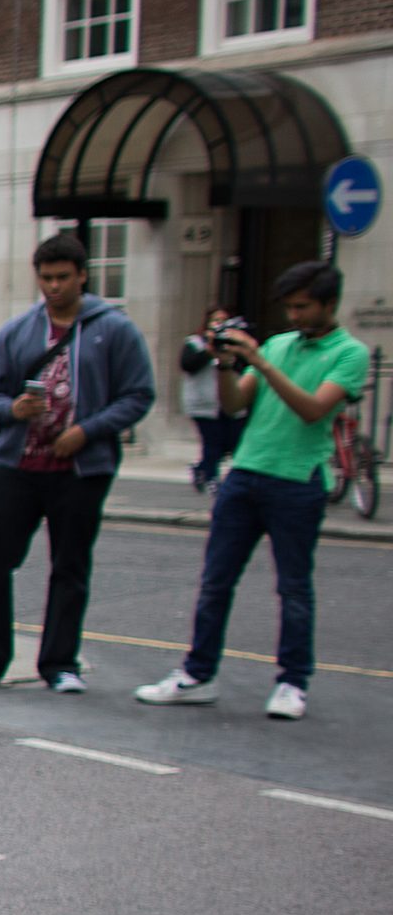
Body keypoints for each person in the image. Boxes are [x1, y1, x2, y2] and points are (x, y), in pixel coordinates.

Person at [136, 262, 369, 722]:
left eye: (303, 307)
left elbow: (313, 410)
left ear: (329, 304)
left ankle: (291, 683)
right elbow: (235, 403)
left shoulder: (350, 353)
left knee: (293, 589)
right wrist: (226, 365)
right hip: (245, 474)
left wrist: (260, 361)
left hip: (298, 481)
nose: (295, 316)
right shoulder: (280, 344)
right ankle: (198, 675)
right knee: (215, 582)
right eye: (290, 307)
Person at [0, 234, 155, 694]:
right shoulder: (18, 332)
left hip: (79, 471)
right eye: (46, 278)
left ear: (82, 275)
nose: (53, 287)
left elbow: (138, 395)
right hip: (15, 467)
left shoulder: (113, 329)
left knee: (70, 567)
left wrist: (87, 430)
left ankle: (60, 663)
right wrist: (12, 410)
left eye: (62, 277)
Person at [178, 305, 250, 493]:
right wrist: (210, 350)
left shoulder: (233, 344)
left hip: (228, 402)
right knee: (213, 443)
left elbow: (244, 369)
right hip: (204, 404)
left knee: (233, 442)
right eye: (216, 321)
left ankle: (201, 468)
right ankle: (211, 478)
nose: (220, 325)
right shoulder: (194, 343)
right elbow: (187, 365)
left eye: (224, 321)